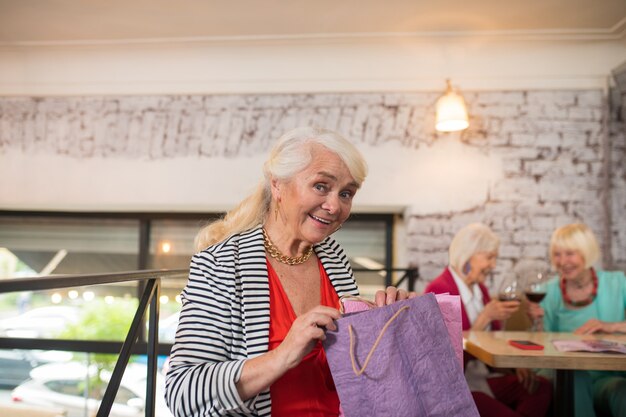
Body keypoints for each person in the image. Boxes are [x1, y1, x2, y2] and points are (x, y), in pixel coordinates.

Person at [164, 126, 412, 417]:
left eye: (346, 193)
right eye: (321, 186)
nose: (335, 205)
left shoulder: (333, 257)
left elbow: (351, 368)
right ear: (278, 184)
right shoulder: (221, 264)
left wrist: (387, 326)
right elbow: (182, 392)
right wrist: (283, 355)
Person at [424, 223, 552, 417]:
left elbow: (493, 343)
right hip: (459, 385)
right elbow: (443, 359)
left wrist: (515, 365)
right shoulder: (439, 289)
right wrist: (485, 317)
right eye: (490, 257)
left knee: (540, 387)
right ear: (469, 254)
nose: (493, 265)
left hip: (484, 377)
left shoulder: (480, 289)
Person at [527, 223, 626, 417]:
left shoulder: (617, 283)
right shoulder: (547, 292)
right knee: (575, 378)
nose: (563, 262)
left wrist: (611, 326)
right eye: (557, 254)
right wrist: (536, 322)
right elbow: (540, 347)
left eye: (570, 253)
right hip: (567, 375)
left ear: (586, 252)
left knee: (622, 392)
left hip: (608, 375)